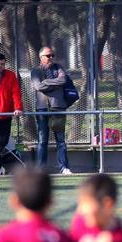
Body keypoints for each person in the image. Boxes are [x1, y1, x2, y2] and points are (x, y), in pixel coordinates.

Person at [31, 46, 71, 174]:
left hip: (58, 107)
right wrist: (54, 83)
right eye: (48, 56)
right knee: (42, 140)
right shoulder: (36, 71)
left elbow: (63, 80)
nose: (51, 58)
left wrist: (46, 82)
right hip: (42, 109)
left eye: (52, 55)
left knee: (60, 140)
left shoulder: (58, 67)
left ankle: (64, 167)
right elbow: (37, 86)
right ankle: (40, 168)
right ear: (41, 57)